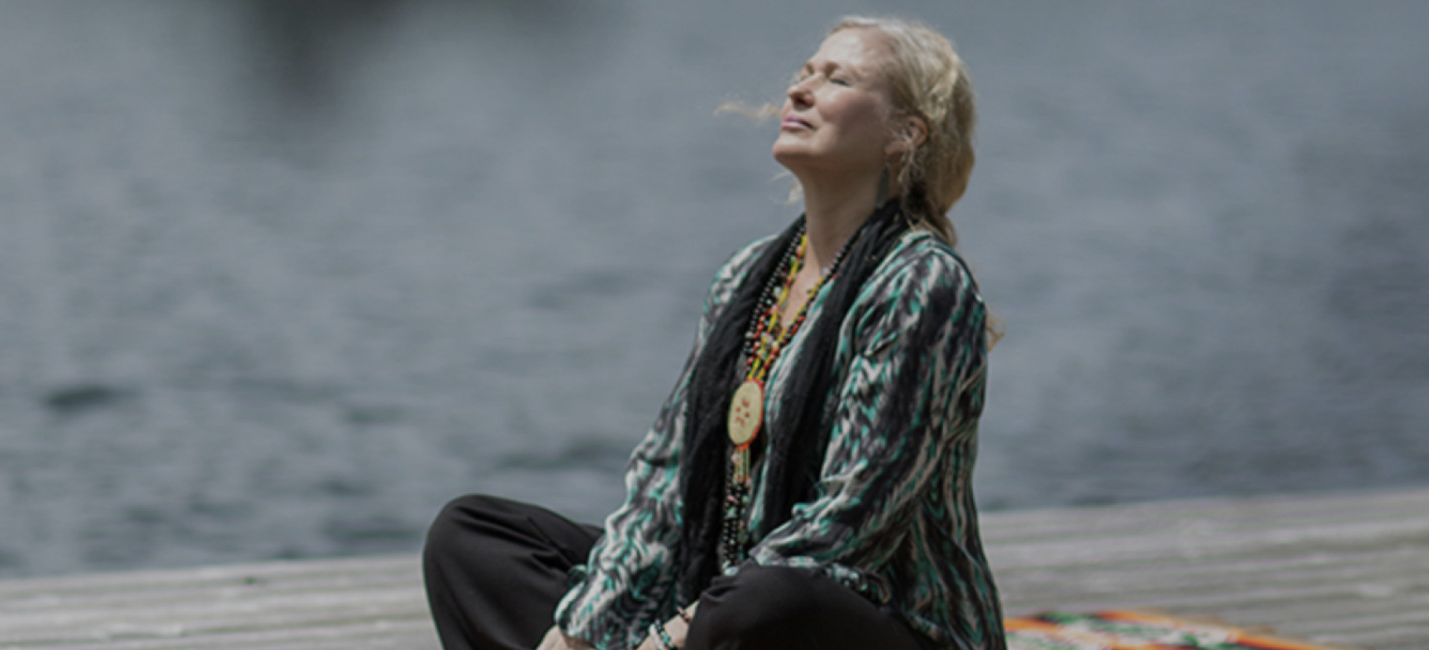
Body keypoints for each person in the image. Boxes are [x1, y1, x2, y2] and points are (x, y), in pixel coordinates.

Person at [423, 15, 1001, 650]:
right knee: (471, 538)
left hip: (882, 621)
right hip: (724, 592)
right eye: (805, 73)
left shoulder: (921, 285)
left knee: (762, 598)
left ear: (904, 134)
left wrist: (673, 636)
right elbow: (667, 479)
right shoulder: (747, 278)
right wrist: (580, 630)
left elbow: (854, 521)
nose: (800, 91)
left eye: (838, 79)